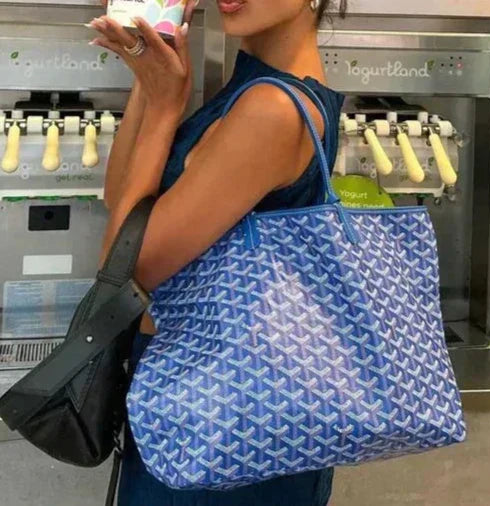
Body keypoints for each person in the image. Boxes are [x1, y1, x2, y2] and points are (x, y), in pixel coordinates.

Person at [89, 0, 344, 504]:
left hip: (221, 421)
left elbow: (124, 267)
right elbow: (121, 202)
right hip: (214, 400)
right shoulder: (252, 90)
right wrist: (149, 72)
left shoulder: (272, 110)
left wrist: (165, 108)